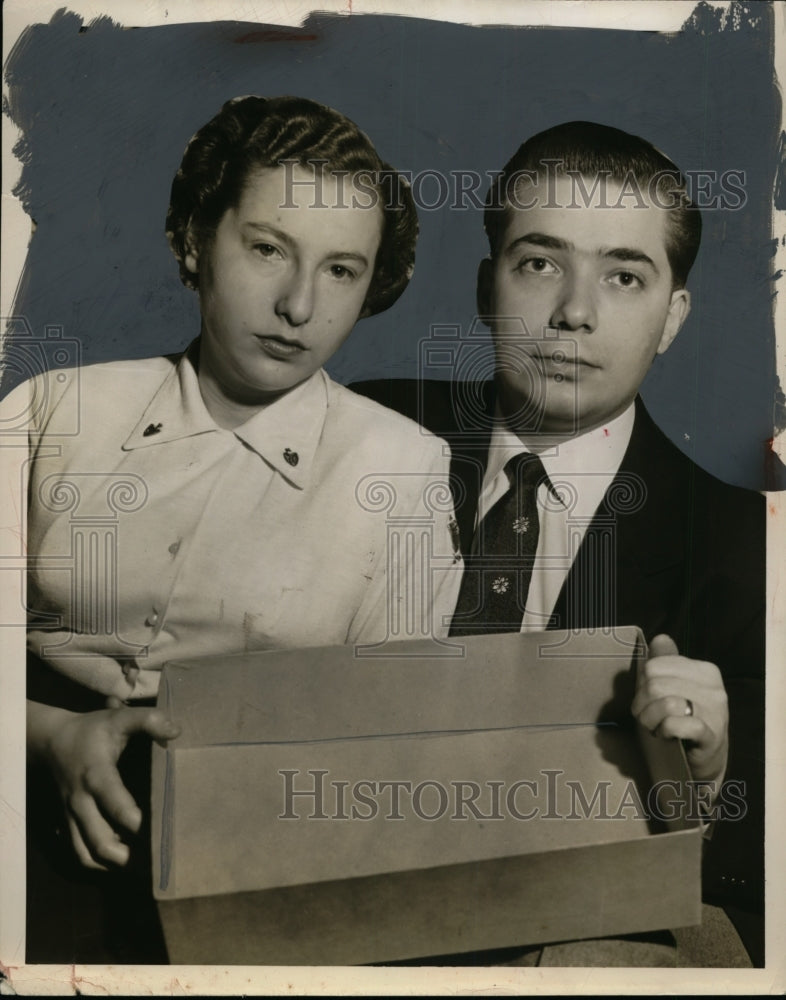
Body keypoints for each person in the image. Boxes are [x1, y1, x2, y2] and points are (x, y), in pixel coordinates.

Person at [11, 94, 460, 961]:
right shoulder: (53, 409)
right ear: (193, 240)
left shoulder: (403, 471)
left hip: (245, 856)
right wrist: (54, 737)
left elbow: (392, 741)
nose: (298, 304)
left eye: (341, 271)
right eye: (266, 249)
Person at [353, 121, 766, 963]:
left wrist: (716, 779)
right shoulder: (361, 428)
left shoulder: (745, 546)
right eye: (540, 264)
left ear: (673, 316)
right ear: (485, 285)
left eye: (624, 275)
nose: (575, 313)